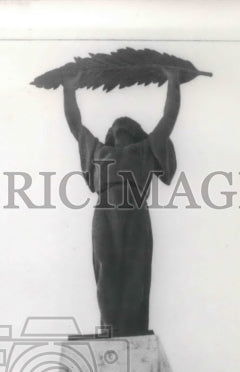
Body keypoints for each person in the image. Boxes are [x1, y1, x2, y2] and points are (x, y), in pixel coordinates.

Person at [62, 67, 181, 336]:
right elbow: (75, 126)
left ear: (134, 132)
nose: (120, 127)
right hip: (104, 211)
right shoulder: (99, 151)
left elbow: (168, 118)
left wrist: (173, 81)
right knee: (106, 273)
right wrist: (69, 89)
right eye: (116, 127)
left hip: (134, 211)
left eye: (125, 127)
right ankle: (110, 329)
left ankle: (129, 330)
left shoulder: (144, 150)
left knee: (133, 275)